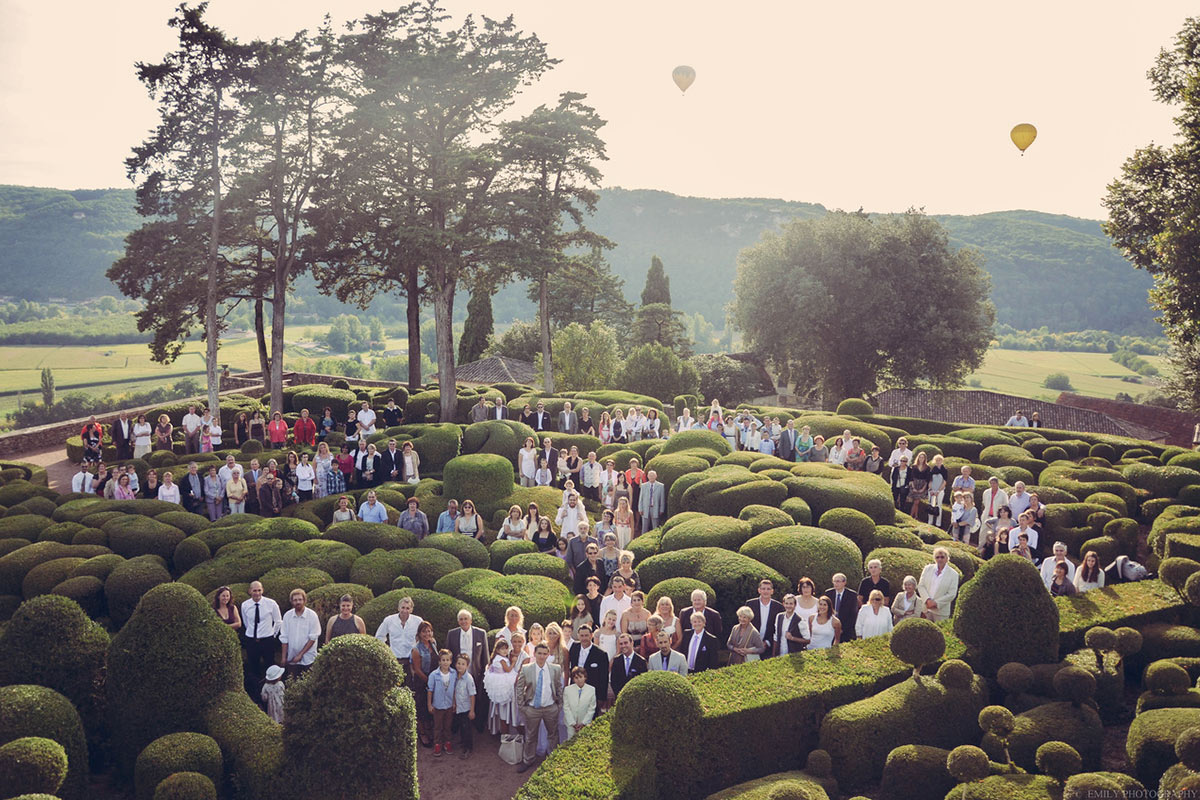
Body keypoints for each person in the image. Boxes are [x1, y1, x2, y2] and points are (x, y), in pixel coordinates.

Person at [514, 644, 563, 773]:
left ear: (548, 655)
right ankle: (528, 760)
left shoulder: (555, 669)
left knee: (553, 734)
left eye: (544, 654)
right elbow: (519, 688)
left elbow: (559, 687)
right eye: (539, 653)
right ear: (534, 654)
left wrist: (559, 706)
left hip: (550, 707)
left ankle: (552, 759)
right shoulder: (526, 669)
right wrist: (522, 706)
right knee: (530, 736)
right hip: (532, 709)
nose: (541, 656)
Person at [446, 609, 490, 734]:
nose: (464, 621)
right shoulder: (452, 634)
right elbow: (448, 654)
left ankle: (476, 724)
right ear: (458, 621)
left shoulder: (481, 633)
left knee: (475, 698)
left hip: (475, 674)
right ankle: (457, 725)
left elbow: (485, 656)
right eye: (461, 619)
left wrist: (485, 674)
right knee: (458, 698)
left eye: (466, 619)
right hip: (458, 674)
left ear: (471, 620)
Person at [242, 581, 282, 694]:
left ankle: (271, 692)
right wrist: (252, 634)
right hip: (251, 641)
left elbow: (278, 621)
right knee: (253, 667)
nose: (257, 593)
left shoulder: (271, 603)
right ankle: (256, 693)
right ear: (250, 591)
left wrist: (272, 635)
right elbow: (246, 622)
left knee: (269, 665)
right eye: (254, 590)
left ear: (262, 590)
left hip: (267, 641)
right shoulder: (245, 605)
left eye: (259, 590)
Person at [375, 596, 423, 677]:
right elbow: (379, 637)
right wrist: (386, 651)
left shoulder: (418, 621)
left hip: (411, 662)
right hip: (394, 660)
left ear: (411, 610)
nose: (405, 610)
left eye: (408, 608)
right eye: (403, 607)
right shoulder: (389, 620)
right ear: (398, 608)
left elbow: (424, 636)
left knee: (412, 687)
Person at [279, 588, 320, 678]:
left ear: (304, 600)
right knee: (292, 682)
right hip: (292, 658)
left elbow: (313, 637)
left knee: (308, 683)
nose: (298, 602)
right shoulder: (287, 616)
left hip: (308, 658)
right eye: (295, 600)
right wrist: (283, 657)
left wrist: (300, 654)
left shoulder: (312, 615)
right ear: (291, 601)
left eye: (300, 599)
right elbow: (284, 637)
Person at [568, 624, 610, 707]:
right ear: (578, 636)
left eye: (586, 635)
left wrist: (601, 698)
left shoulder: (601, 654)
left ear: (591, 635)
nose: (584, 638)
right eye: (582, 635)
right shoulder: (574, 647)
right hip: (575, 690)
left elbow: (604, 677)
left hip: (592, 693)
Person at [428, 649, 457, 756]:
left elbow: (454, 690)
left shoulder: (454, 673)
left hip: (449, 705)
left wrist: (454, 703)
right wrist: (429, 704)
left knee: (447, 726)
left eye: (447, 660)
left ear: (450, 661)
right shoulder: (434, 675)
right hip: (438, 706)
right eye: (443, 660)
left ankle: (447, 743)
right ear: (439, 662)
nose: (445, 662)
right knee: (437, 726)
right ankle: (437, 744)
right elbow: (430, 690)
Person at [918, 548, 959, 622]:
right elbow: (921, 586)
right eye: (937, 557)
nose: (940, 559)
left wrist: (935, 603)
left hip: (941, 612)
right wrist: (927, 600)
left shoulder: (954, 574)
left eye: (942, 557)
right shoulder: (927, 569)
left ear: (947, 559)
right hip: (926, 609)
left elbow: (951, 594)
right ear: (934, 559)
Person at [747, 579, 783, 655]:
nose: (766, 591)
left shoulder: (778, 607)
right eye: (763, 589)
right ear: (759, 590)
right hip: (750, 644)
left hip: (769, 646)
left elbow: (778, 629)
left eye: (768, 589)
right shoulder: (750, 604)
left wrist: (767, 642)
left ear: (772, 591)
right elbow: (745, 623)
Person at [452, 653, 477, 759]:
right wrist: (454, 703)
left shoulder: (468, 678)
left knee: (467, 728)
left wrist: (472, 710)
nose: (460, 666)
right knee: (461, 727)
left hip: (466, 708)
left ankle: (468, 748)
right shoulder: (455, 676)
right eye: (458, 663)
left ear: (467, 666)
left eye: (463, 664)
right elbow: (454, 691)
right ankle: (463, 742)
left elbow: (472, 695)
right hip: (459, 707)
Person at [638, 470, 666, 534]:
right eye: (650, 475)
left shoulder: (661, 486)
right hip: (645, 509)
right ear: (647, 476)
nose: (651, 477)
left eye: (653, 475)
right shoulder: (643, 486)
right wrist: (640, 509)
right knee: (644, 527)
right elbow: (641, 498)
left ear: (656, 476)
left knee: (655, 527)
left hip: (655, 508)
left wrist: (661, 509)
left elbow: (662, 499)